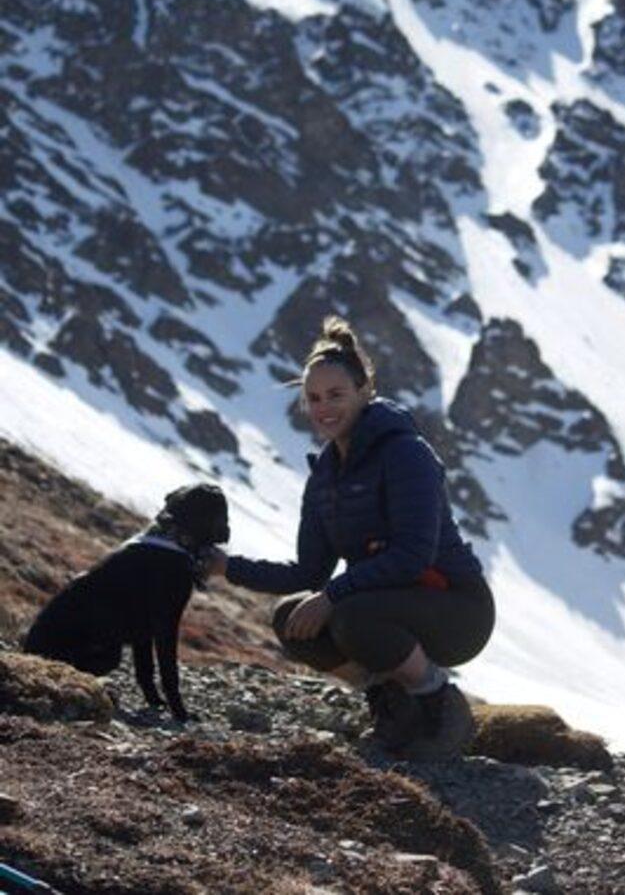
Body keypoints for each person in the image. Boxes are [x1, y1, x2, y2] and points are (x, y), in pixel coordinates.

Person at [210, 316, 495, 759]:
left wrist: (332, 596)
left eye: (337, 394)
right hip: (386, 606)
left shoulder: (405, 453)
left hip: (457, 609)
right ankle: (393, 702)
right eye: (314, 398)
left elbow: (414, 555)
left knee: (347, 614)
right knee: (293, 620)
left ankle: (441, 704)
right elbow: (308, 571)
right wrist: (227, 567)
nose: (324, 407)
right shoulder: (324, 476)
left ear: (365, 391)